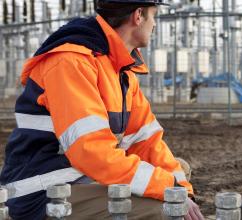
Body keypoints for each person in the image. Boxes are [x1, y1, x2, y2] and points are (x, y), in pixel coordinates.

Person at [0, 0, 204, 219]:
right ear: (138, 16)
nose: (154, 25)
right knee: (164, 211)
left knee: (178, 172)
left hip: (80, 179)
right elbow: (92, 153)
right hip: (43, 192)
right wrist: (169, 191)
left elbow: (147, 142)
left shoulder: (120, 71)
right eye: (153, 16)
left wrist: (182, 190)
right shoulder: (71, 62)